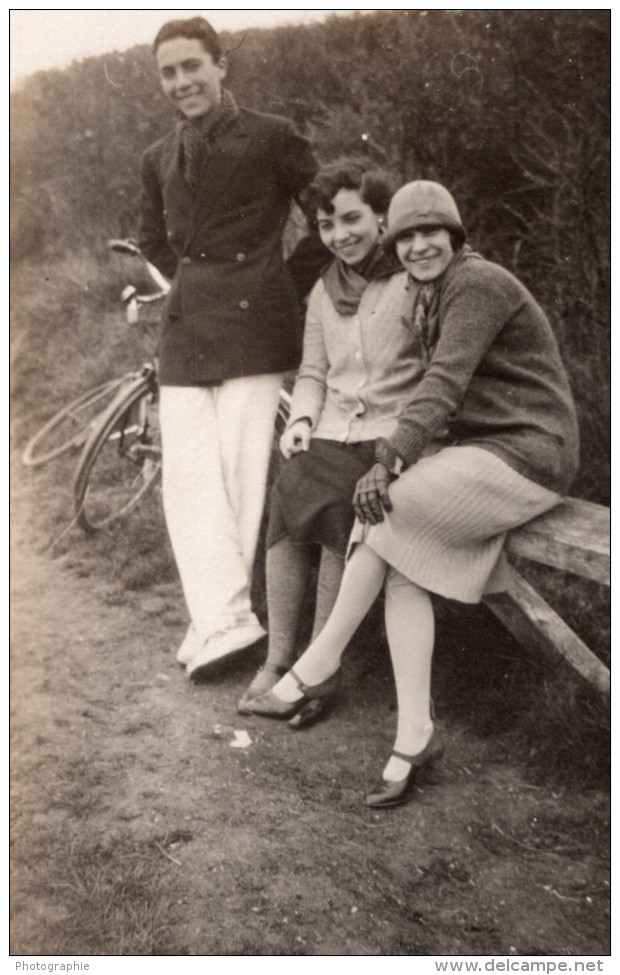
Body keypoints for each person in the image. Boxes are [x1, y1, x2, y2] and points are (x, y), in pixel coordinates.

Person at [246, 180, 580, 808]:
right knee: (399, 561)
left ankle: (317, 664)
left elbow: (444, 383)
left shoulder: (477, 283)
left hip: (531, 452)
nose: (419, 246)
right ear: (394, 244)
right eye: (407, 237)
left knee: (384, 508)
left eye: (432, 233)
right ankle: (413, 737)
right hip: (479, 450)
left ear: (455, 236)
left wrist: (389, 459)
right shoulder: (430, 290)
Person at [138, 17, 319, 679]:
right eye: (169, 72)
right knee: (188, 477)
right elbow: (152, 240)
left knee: (241, 472)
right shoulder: (158, 156)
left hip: (253, 319)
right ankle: (226, 618)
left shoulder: (272, 135)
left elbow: (328, 216)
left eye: (193, 66)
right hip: (187, 326)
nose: (182, 81)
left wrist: (281, 281)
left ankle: (222, 622)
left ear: (221, 65)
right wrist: (189, 276)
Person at [238, 158, 433, 724]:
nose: (341, 235)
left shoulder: (413, 281)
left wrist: (408, 438)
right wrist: (300, 421)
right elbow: (313, 373)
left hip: (392, 439)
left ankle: (323, 666)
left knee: (335, 501)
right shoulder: (324, 292)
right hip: (332, 430)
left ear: (379, 216)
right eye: (327, 226)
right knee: (289, 489)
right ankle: (279, 660)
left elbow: (434, 373)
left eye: (352, 219)